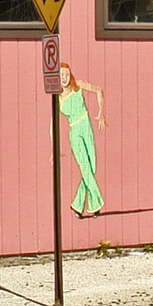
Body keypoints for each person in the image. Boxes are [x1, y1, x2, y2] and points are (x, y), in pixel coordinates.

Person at [57, 63, 106, 218]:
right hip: (75, 131)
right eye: (61, 75)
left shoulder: (78, 85)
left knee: (92, 166)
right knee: (85, 168)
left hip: (86, 126)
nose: (64, 78)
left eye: (66, 74)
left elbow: (99, 90)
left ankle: (78, 205)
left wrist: (101, 113)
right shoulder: (58, 98)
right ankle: (96, 203)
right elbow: (53, 122)